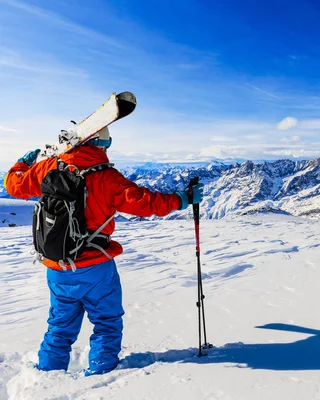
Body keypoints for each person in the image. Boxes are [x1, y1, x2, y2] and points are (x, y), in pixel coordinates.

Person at [3, 127, 203, 376]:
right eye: (106, 144)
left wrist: (25, 161)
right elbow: (145, 202)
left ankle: (47, 377)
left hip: (58, 266)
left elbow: (13, 185)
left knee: (59, 326)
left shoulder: (47, 168)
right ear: (98, 145)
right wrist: (182, 199)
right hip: (96, 267)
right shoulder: (107, 177)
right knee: (106, 323)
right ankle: (101, 376)